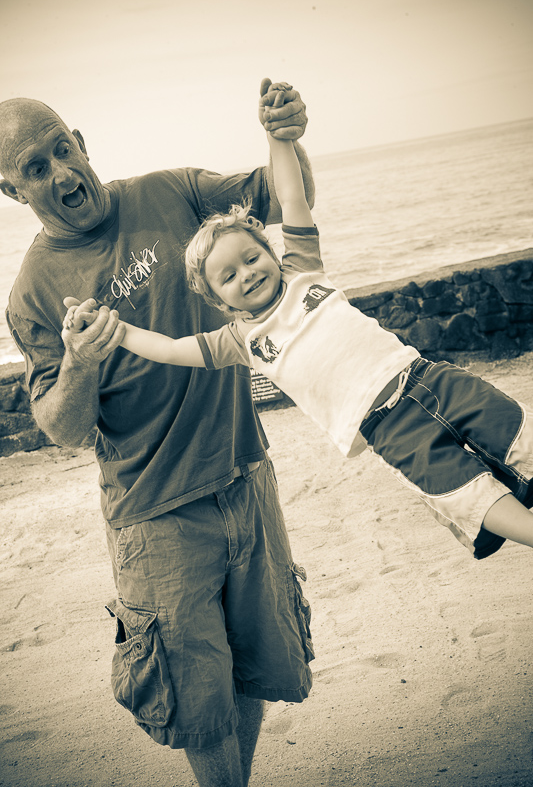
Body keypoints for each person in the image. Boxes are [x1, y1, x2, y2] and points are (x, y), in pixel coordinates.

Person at [66, 84, 533, 563]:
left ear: (271, 251)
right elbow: (169, 349)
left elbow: (290, 197)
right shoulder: (240, 340)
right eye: (228, 276)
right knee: (464, 493)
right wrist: (113, 330)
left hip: (429, 377)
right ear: (217, 298)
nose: (246, 274)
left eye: (251, 258)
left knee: (514, 431)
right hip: (387, 428)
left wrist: (278, 139)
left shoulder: (302, 270)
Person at [2, 80, 315, 787]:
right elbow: (62, 428)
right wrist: (80, 360)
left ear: (80, 144)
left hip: (245, 475)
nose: (59, 172)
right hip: (155, 514)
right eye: (34, 168)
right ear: (12, 193)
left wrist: (288, 134)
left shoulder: (172, 191)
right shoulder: (32, 293)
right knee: (197, 703)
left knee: (251, 666)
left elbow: (285, 196)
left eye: (60, 150)